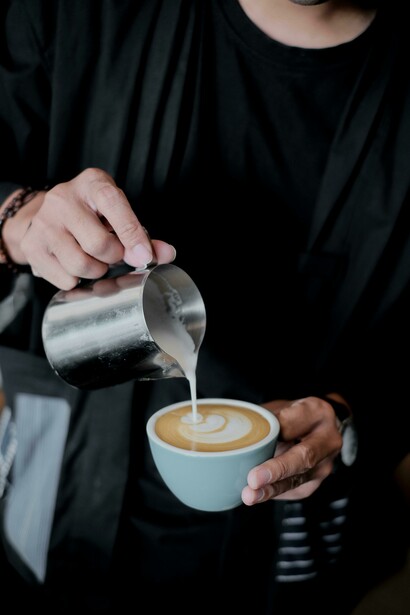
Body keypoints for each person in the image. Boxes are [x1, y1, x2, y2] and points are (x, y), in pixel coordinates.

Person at [0, 0, 409, 613]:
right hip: (51, 502)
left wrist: (351, 419)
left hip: (294, 558)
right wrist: (16, 218)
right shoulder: (75, 13)